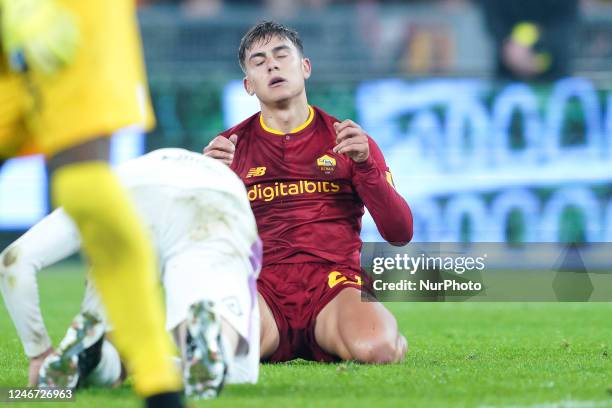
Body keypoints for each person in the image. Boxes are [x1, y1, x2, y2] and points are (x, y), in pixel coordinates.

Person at [0, 1, 183, 405]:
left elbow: (363, 211)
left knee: (87, 189)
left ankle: (159, 384)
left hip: (331, 285)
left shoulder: (349, 143)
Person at [204, 21, 413, 364]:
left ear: (305, 67)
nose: (272, 64)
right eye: (258, 61)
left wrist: (365, 167)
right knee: (220, 352)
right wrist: (207, 187)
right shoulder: (227, 150)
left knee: (376, 349)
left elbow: (401, 232)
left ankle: (386, 336)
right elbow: (205, 246)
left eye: (281, 55)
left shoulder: (349, 140)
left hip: (333, 286)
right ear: (248, 85)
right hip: (262, 289)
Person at [0, 148, 261, 399]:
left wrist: (39, 353)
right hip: (215, 195)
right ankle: (209, 342)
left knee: (111, 325)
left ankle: (97, 355)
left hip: (130, 189)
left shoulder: (92, 190)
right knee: (238, 371)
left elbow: (12, 262)